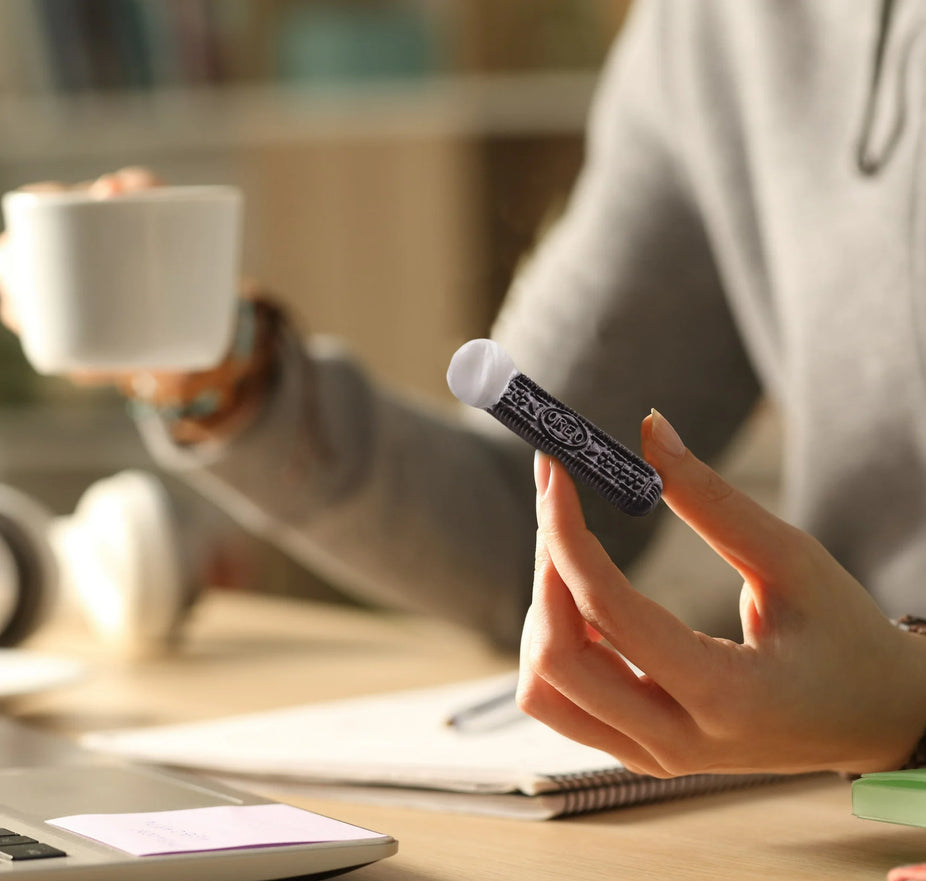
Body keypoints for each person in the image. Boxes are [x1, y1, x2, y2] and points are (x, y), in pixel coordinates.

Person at [1, 0, 925, 778]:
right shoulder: (715, 28)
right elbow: (514, 518)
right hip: (837, 811)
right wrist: (226, 378)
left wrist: (908, 698)